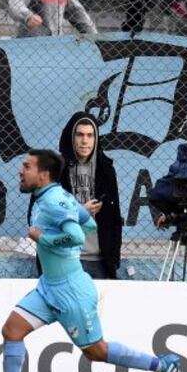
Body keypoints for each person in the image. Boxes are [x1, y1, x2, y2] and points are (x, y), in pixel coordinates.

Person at [0, 150, 182, 372]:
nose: (20, 171)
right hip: (49, 286)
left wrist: (43, 238)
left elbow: (75, 237)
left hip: (71, 290)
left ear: (43, 174)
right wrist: (80, 212)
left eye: (27, 166)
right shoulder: (54, 197)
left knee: (96, 352)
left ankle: (161, 365)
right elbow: (88, 224)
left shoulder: (53, 202)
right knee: (12, 331)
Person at [58, 112, 123, 279]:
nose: (85, 141)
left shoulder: (106, 170)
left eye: (90, 135)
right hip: (64, 257)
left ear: (96, 138)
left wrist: (114, 257)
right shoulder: (57, 170)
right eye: (80, 135)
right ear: (71, 137)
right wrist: (80, 211)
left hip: (100, 259)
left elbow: (115, 218)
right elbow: (41, 214)